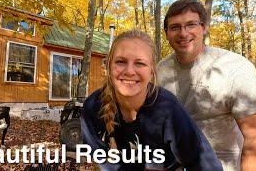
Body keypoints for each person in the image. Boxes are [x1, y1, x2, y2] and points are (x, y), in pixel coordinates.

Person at [81, 29, 223, 170]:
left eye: (140, 63)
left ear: (151, 72)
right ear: (109, 66)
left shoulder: (167, 108)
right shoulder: (93, 107)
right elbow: (101, 162)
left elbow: (206, 164)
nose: (129, 71)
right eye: (121, 62)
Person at [157, 0, 256, 171]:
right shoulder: (159, 71)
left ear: (204, 27)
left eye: (191, 25)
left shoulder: (234, 67)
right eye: (175, 27)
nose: (183, 33)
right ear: (166, 33)